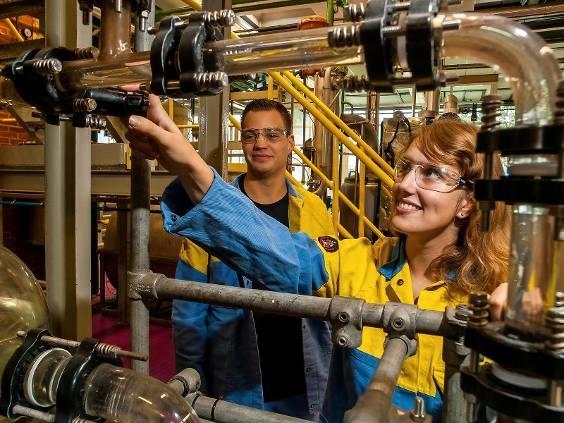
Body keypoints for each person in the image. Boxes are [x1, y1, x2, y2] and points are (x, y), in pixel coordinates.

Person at [125, 93, 510, 421]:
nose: (404, 184)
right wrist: (191, 169)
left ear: (468, 202)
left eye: (431, 174)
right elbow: (283, 258)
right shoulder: (359, 262)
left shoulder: (492, 293)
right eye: (406, 167)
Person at [172, 99, 335, 419]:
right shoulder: (212, 217)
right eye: (250, 135)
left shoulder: (315, 209)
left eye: (272, 135)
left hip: (305, 376)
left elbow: (330, 287)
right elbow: (188, 312)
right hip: (235, 381)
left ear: (290, 142)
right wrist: (192, 381)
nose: (260, 143)